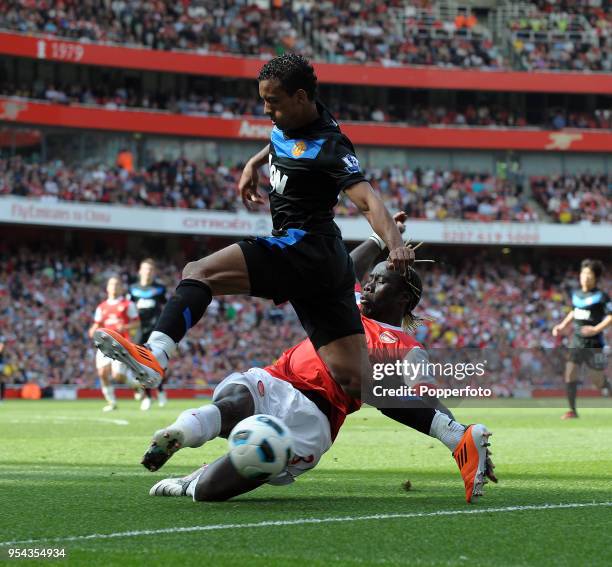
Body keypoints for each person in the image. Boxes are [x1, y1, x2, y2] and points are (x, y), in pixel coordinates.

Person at [93, 53, 412, 408]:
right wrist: (254, 162)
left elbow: (367, 201)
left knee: (198, 272)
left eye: (272, 101)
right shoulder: (292, 120)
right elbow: (279, 138)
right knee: (354, 378)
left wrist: (394, 244)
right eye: (263, 100)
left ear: (301, 98)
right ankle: (455, 432)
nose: (265, 109)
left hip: (303, 247)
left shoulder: (330, 146)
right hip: (324, 264)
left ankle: (156, 354)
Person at [144, 214, 496, 504]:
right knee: (234, 399)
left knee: (209, 493)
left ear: (404, 298)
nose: (369, 285)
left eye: (380, 282)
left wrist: (456, 430)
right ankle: (182, 431)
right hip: (277, 380)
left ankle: (195, 480)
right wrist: (378, 239)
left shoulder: (403, 344)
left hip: (313, 418)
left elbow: (422, 397)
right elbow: (344, 269)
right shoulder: (349, 304)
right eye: (370, 279)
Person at [552, 259, 611, 419]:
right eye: (583, 273)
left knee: (597, 381)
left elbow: (610, 316)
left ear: (595, 277)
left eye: (589, 274)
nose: (585, 277)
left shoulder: (601, 296)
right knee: (570, 373)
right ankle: (572, 411)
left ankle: (607, 386)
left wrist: (595, 329)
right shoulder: (576, 295)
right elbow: (574, 312)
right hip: (577, 341)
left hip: (594, 344)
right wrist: (562, 325)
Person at [88, 276, 141, 411]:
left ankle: (136, 386)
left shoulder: (128, 304)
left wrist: (126, 327)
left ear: (121, 288)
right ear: (107, 288)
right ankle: (111, 402)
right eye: (111, 284)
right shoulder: (102, 307)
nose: (114, 287)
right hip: (104, 343)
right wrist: (93, 330)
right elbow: (97, 324)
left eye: (117, 284)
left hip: (120, 343)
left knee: (117, 376)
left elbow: (137, 322)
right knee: (102, 373)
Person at [128, 259, 168, 410]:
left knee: (157, 363)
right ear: (140, 271)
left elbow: (166, 307)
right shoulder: (132, 289)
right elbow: (128, 309)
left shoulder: (160, 289)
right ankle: (148, 397)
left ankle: (161, 391)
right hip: (138, 330)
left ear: (154, 272)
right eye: (145, 269)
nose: (148, 272)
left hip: (155, 330)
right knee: (140, 364)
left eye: (151, 269)